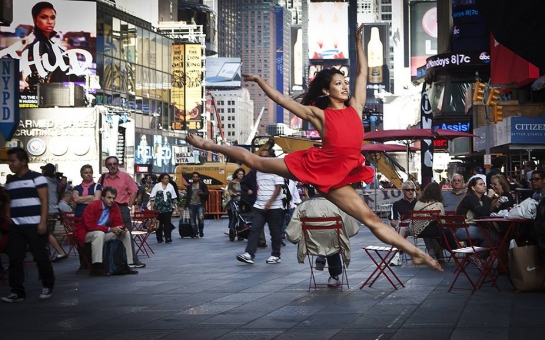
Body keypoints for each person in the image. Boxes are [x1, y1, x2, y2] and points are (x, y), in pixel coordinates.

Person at [185, 24, 441, 272]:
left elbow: (363, 73)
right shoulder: (319, 114)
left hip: (340, 177)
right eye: (338, 83)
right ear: (326, 90)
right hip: (316, 165)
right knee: (256, 162)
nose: (344, 86)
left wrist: (358, 44)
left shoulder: (356, 107)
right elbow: (282, 100)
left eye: (344, 82)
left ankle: (416, 253)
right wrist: (260, 81)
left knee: (371, 220)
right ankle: (207, 143)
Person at [2, 147, 55, 302]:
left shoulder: (37, 178)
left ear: (23, 161)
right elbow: (8, 200)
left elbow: (44, 200)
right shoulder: (10, 181)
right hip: (16, 226)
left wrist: (42, 222)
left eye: (13, 160)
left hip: (34, 225)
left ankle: (47, 284)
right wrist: (8, 216)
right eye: (9, 161)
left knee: (40, 257)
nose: (10, 164)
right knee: (15, 259)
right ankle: (17, 291)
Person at [286, 193, 359, 287]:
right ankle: (334, 276)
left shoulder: (303, 206)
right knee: (334, 240)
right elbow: (352, 230)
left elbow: (292, 233)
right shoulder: (339, 204)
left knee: (325, 239)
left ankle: (322, 255)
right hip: (334, 243)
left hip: (311, 245)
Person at [236, 149, 286, 265]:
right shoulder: (256, 171)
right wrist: (249, 191)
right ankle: (249, 254)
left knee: (275, 232)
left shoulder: (277, 170)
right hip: (259, 206)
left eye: (266, 156)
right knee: (254, 230)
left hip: (275, 207)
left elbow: (278, 188)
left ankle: (275, 255)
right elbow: (245, 182)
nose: (264, 158)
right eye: (262, 156)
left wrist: (270, 202)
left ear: (271, 157)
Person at [73, 187, 137, 276]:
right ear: (102, 197)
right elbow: (89, 226)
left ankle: (127, 265)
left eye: (113, 198)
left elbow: (118, 222)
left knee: (126, 234)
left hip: (103, 233)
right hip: (86, 234)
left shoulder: (115, 206)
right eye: (109, 197)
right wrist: (110, 229)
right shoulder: (93, 206)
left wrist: (121, 228)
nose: (112, 200)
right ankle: (97, 266)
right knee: (99, 234)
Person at [20, 2, 81, 94]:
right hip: (46, 98)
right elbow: (33, 77)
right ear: (34, 19)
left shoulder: (50, 44)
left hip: (58, 97)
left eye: (52, 17)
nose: (50, 21)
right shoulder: (36, 43)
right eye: (44, 17)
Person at [99, 156, 145, 268]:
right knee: (107, 233)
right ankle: (108, 260)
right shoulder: (103, 177)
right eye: (109, 164)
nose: (112, 166)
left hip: (122, 208)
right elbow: (99, 192)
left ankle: (133, 259)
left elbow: (134, 191)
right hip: (107, 209)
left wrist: (129, 207)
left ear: (118, 164)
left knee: (126, 233)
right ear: (106, 166)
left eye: (114, 163)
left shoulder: (125, 177)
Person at [412, 183, 458, 260]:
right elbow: (442, 222)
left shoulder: (418, 202)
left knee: (442, 233)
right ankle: (455, 249)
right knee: (446, 232)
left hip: (417, 230)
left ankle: (452, 251)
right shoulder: (438, 204)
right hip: (430, 230)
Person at [455, 177, 496, 249]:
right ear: (473, 188)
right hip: (463, 229)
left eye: (484, 184)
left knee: (494, 235)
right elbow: (482, 213)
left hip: (472, 227)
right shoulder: (471, 198)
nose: (484, 186)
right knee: (493, 237)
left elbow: (486, 213)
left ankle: (477, 256)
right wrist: (489, 198)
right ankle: (478, 256)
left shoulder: (481, 199)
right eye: (480, 184)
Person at [40, 163, 68, 263]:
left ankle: (60, 252)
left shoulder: (43, 180)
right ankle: (46, 252)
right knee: (47, 233)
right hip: (55, 209)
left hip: (47, 210)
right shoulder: (55, 181)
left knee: (47, 233)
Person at [149, 173, 179, 243]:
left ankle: (168, 237)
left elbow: (174, 198)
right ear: (161, 179)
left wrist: (176, 208)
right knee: (159, 223)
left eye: (168, 178)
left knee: (167, 223)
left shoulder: (171, 186)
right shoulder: (157, 186)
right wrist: (152, 208)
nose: (167, 180)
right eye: (165, 178)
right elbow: (152, 197)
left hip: (168, 208)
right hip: (158, 208)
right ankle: (159, 238)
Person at [184, 172, 209, 238]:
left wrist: (202, 193)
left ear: (199, 178)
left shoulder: (202, 185)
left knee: (201, 220)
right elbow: (188, 196)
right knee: (192, 220)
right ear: (192, 178)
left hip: (200, 205)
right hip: (191, 205)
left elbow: (207, 193)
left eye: (196, 177)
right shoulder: (190, 185)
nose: (195, 178)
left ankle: (201, 231)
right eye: (194, 177)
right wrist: (186, 205)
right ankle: (195, 233)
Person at [227, 168, 245, 237]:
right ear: (237, 174)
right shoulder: (232, 182)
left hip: (242, 200)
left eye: (242, 174)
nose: (241, 176)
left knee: (242, 216)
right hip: (234, 200)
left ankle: (241, 231)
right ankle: (232, 229)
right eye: (239, 174)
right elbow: (229, 189)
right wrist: (233, 193)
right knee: (235, 215)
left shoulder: (244, 182)